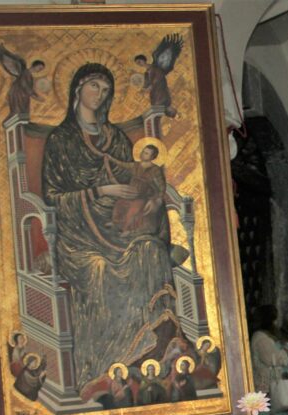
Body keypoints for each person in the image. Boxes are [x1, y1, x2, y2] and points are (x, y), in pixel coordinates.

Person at [42, 63, 181, 396]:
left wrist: (150, 200)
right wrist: (100, 192)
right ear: (77, 89)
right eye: (93, 85)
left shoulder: (115, 137)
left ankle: (153, 352)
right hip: (80, 235)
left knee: (151, 251)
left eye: (105, 89)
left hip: (122, 225)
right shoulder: (61, 140)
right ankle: (102, 367)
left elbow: (139, 177)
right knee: (101, 269)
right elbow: (52, 196)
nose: (99, 94)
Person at [249, 304, 288, 415]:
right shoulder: (260, 338)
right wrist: (286, 352)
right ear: (269, 320)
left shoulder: (267, 336)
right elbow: (271, 359)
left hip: (276, 388)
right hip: (269, 390)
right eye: (275, 318)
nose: (277, 321)